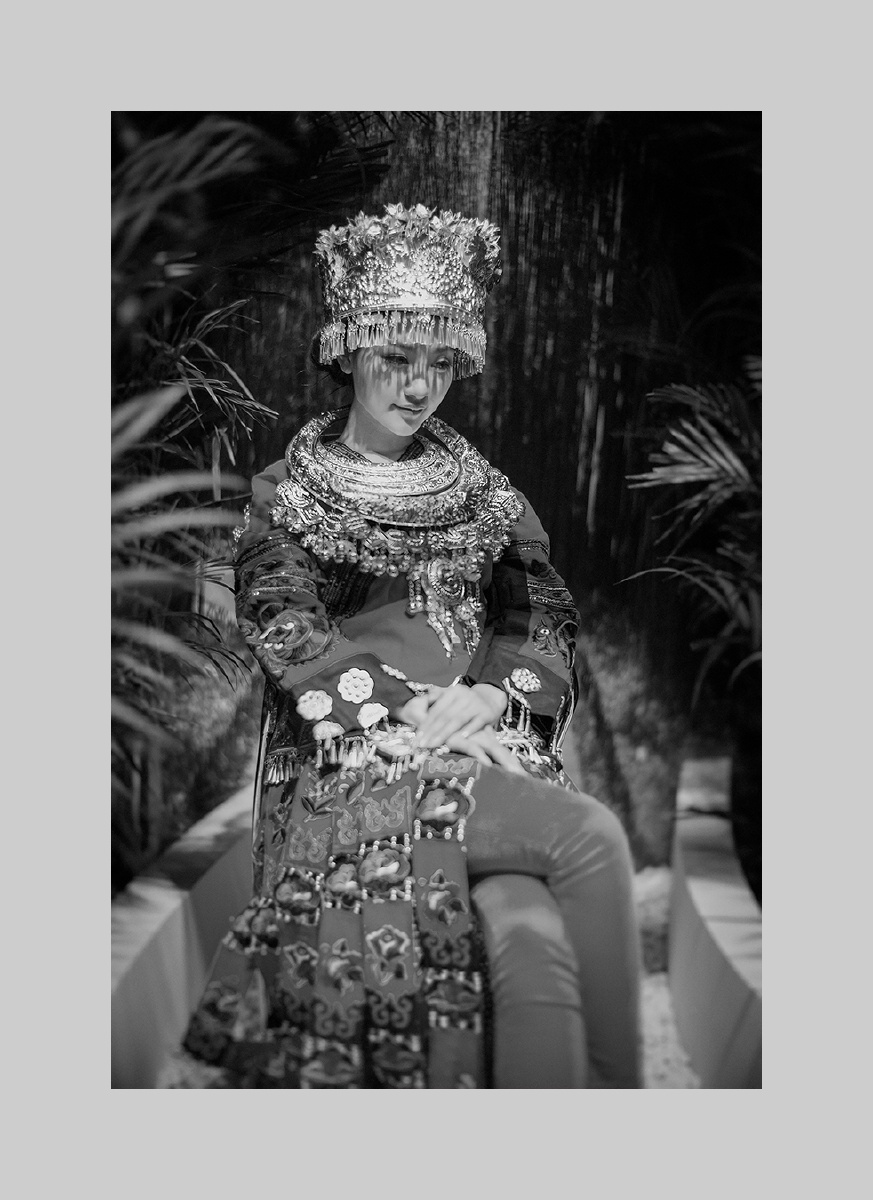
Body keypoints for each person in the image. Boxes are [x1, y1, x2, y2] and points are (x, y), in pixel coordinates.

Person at [169, 203, 642, 1089]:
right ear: (347, 350)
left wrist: (491, 697)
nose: (419, 386)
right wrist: (415, 710)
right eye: (395, 357)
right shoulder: (285, 493)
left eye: (440, 363)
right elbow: (286, 620)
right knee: (587, 842)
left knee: (531, 940)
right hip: (356, 760)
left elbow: (540, 609)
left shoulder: (486, 491)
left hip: (485, 747)